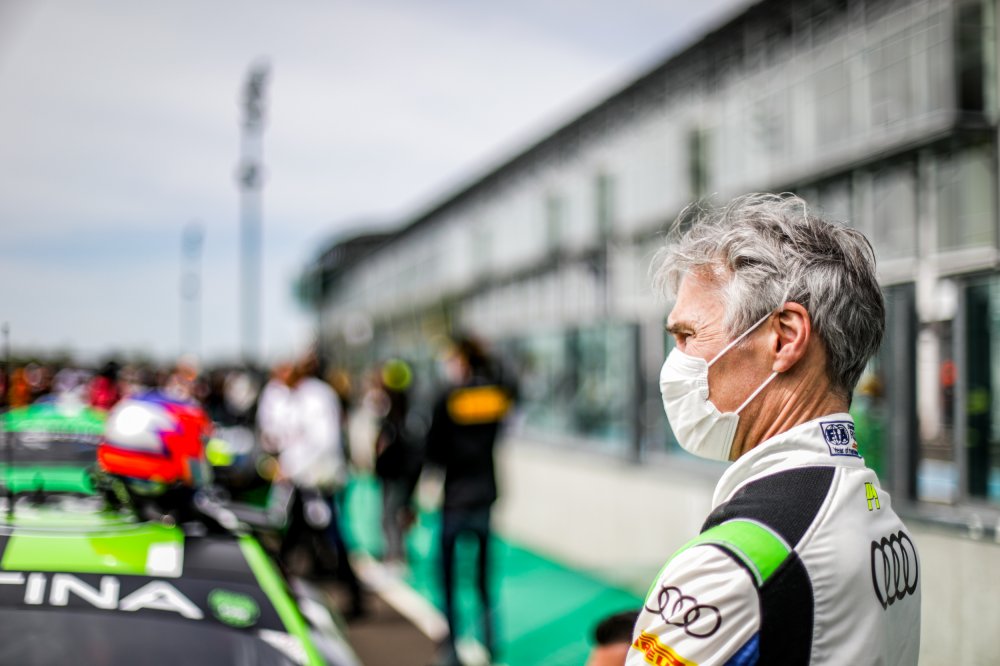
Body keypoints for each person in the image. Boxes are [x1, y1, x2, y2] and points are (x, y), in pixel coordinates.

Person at [628, 193, 920, 665]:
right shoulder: (882, 522)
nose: (674, 363)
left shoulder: (729, 568)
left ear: (785, 338)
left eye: (687, 336)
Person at [426, 336, 513, 665]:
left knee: (447, 576)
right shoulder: (493, 396)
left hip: (455, 498)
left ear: (461, 360)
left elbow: (433, 451)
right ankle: (490, 641)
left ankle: (451, 648)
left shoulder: (447, 398)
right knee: (482, 577)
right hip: (484, 495)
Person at [373, 358, 423, 566]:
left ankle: (396, 556)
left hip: (398, 471)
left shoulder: (402, 414)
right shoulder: (392, 411)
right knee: (392, 514)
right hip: (393, 471)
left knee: (393, 514)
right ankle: (394, 553)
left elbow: (408, 447)